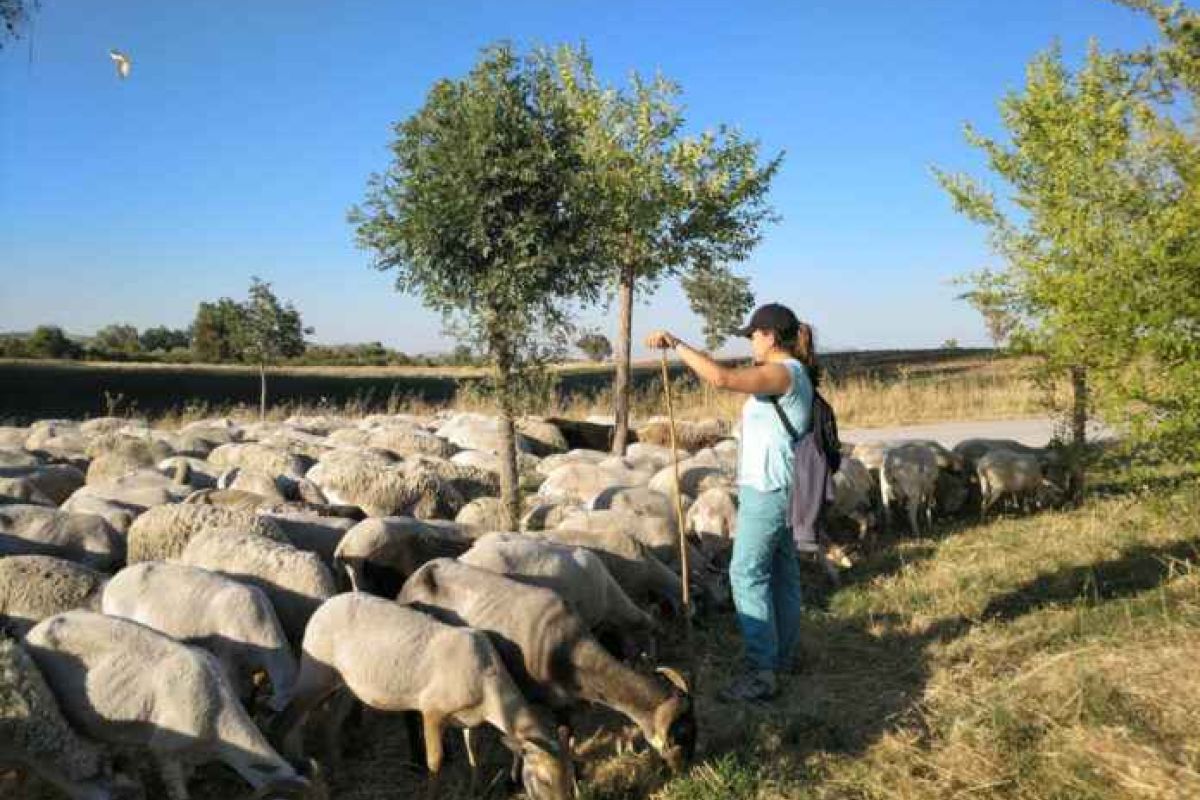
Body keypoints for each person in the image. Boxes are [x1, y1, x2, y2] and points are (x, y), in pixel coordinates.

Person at [645, 303, 816, 702]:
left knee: (745, 574)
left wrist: (676, 343)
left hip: (769, 488)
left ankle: (762, 672)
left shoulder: (783, 372)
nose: (751, 342)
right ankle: (783, 657)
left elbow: (721, 379)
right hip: (783, 485)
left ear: (770, 336)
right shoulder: (793, 373)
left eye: (753, 335)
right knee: (781, 572)